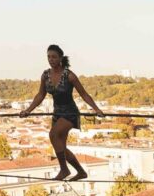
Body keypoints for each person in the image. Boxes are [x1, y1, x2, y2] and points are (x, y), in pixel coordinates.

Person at [20, 44, 105, 181]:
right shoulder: (45, 75)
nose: (51, 59)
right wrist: (28, 111)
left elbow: (84, 94)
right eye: (48, 57)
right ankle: (81, 172)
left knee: (53, 134)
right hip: (57, 114)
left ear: (60, 58)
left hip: (70, 113)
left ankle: (64, 169)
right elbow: (40, 95)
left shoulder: (69, 76)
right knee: (61, 148)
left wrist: (96, 109)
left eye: (54, 57)